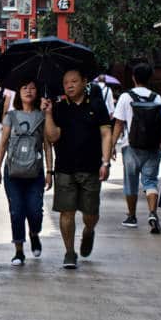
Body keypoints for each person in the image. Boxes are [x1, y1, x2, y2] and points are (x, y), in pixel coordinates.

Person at [43, 69, 114, 269]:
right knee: (67, 212)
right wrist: (48, 114)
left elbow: (106, 134)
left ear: (84, 82)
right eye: (66, 82)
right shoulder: (59, 108)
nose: (70, 85)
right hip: (65, 168)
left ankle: (89, 231)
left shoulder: (96, 105)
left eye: (74, 81)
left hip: (91, 168)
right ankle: (69, 252)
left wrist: (105, 162)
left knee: (91, 213)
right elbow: (52, 137)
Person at [0, 79, 53, 265]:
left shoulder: (42, 116)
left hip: (35, 172)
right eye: (24, 87)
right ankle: (19, 250)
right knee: (16, 211)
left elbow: (47, 145)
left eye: (33, 87)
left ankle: (34, 233)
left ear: (37, 92)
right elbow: (3, 143)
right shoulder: (11, 116)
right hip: (13, 171)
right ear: (18, 92)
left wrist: (50, 170)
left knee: (35, 210)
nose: (28, 91)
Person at [112, 62, 161, 234]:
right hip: (152, 147)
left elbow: (119, 124)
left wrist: (112, 145)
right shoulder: (157, 98)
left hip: (131, 146)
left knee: (131, 182)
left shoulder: (125, 97)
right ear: (149, 78)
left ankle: (132, 216)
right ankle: (152, 213)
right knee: (150, 181)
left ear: (134, 77)